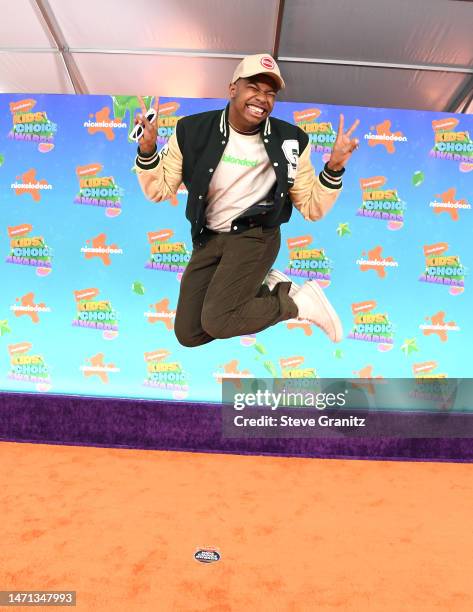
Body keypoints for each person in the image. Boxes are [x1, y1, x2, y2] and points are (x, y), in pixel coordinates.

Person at [134, 53, 359, 347]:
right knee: (189, 333)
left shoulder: (290, 139)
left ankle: (300, 304)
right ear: (233, 89)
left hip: (256, 236)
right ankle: (272, 289)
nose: (262, 98)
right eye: (253, 88)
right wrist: (148, 149)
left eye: (270, 93)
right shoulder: (191, 131)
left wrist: (335, 167)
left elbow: (312, 207)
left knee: (218, 318)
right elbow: (158, 191)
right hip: (209, 237)